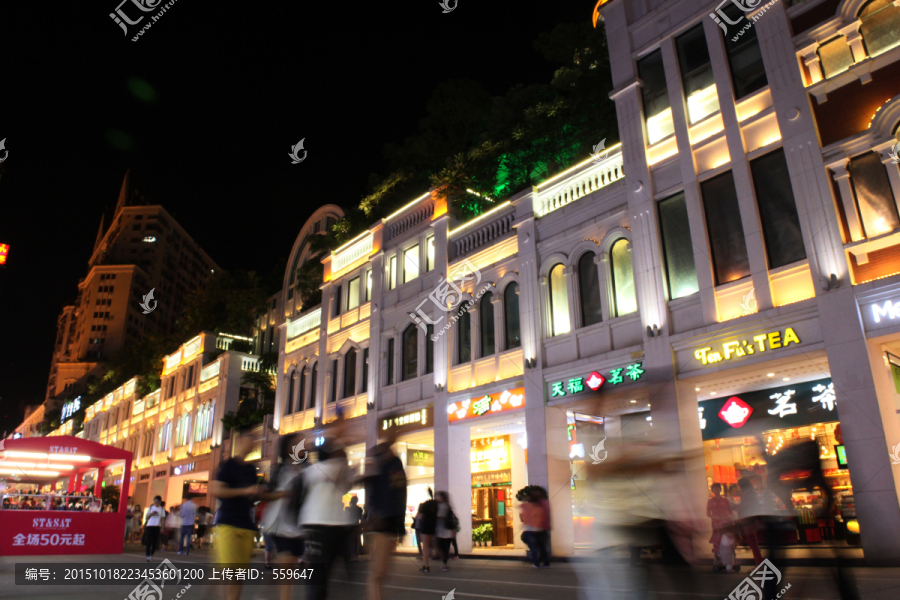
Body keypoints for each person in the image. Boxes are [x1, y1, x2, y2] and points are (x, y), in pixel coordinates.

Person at [209, 427, 263, 600]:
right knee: (230, 573)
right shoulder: (229, 465)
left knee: (239, 575)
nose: (253, 443)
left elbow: (252, 498)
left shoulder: (251, 470)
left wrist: (258, 493)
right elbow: (217, 490)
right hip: (228, 523)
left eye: (255, 440)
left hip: (246, 525)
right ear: (240, 440)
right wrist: (245, 491)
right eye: (250, 438)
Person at [300, 434, 352, 600]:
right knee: (318, 584)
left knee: (322, 582)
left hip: (335, 528)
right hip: (318, 528)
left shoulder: (335, 470)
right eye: (339, 452)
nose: (344, 455)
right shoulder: (319, 470)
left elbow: (349, 481)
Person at [360, 429, 407, 600]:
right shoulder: (378, 460)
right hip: (379, 521)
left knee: (382, 572)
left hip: (390, 522)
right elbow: (371, 488)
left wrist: (400, 527)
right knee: (377, 572)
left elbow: (400, 493)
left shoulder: (395, 463)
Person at [260, 433, 307, 600]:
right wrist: (283, 494)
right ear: (288, 449)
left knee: (290, 570)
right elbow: (266, 495)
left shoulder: (306, 469)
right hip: (280, 526)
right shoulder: (279, 470)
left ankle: (267, 593)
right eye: (297, 444)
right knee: (287, 569)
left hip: (298, 527)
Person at [519, 488, 551, 568]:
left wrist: (524, 499)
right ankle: (546, 563)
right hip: (539, 528)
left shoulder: (526, 506)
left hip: (530, 529)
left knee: (533, 547)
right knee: (541, 547)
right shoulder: (541, 506)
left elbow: (521, 510)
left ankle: (536, 563)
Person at [706, 483, 734, 571]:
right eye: (714, 489)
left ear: (720, 490)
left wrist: (729, 517)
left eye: (718, 489)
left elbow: (730, 511)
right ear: (712, 490)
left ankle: (728, 561)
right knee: (717, 541)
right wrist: (714, 517)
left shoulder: (725, 500)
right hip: (716, 524)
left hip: (726, 524)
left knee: (726, 541)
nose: (716, 491)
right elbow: (708, 513)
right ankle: (719, 561)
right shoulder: (710, 501)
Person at [736, 478, 763, 566]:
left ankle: (759, 565)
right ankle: (759, 564)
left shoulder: (748, 495)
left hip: (748, 521)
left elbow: (744, 507)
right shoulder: (752, 493)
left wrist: (735, 507)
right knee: (754, 544)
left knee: (753, 544)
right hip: (752, 520)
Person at [434, 491, 458, 571]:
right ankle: (445, 562)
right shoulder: (447, 505)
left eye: (438, 496)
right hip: (447, 531)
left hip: (443, 531)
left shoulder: (442, 506)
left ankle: (445, 563)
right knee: (445, 547)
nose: (437, 498)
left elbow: (439, 517)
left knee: (441, 547)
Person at [415, 492, 438, 572]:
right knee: (430, 544)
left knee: (425, 547)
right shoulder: (435, 507)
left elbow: (420, 517)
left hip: (425, 528)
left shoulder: (424, 507)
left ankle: (426, 565)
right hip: (432, 528)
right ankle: (436, 553)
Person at [144, 496, 165, 562]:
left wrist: (162, 527)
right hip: (149, 526)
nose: (156, 502)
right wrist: (152, 513)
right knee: (148, 541)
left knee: (154, 542)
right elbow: (147, 517)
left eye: (157, 501)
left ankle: (151, 554)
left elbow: (162, 519)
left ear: (160, 502)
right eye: (155, 501)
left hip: (157, 526)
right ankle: (147, 555)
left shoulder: (162, 509)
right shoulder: (151, 508)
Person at [345, 496, 363, 561]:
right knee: (356, 541)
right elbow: (360, 518)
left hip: (350, 526)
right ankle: (356, 556)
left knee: (351, 541)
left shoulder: (348, 509)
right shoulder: (359, 509)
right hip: (357, 525)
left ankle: (351, 556)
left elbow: (346, 518)